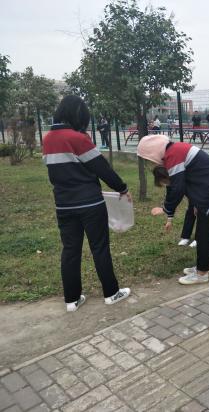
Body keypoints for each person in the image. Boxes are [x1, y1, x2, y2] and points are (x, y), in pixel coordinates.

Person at [42, 95, 132, 312]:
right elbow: (102, 168)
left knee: (70, 250)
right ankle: (111, 293)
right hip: (90, 203)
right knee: (99, 248)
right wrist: (122, 188)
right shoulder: (78, 138)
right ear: (79, 115)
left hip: (63, 205)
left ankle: (71, 300)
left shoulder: (47, 139)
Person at [136, 134, 209, 285]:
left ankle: (202, 273)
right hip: (208, 190)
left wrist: (165, 208)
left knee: (204, 232)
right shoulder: (173, 152)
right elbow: (181, 183)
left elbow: (177, 188)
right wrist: (193, 205)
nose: (149, 163)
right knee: (202, 231)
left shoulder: (173, 155)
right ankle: (201, 268)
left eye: (147, 159)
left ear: (153, 152)